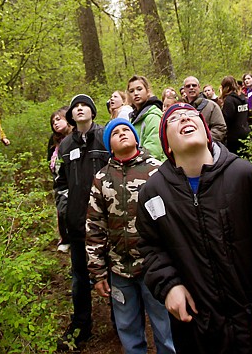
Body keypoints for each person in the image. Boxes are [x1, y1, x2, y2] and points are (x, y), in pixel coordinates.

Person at [136, 102, 252, 354]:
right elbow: (151, 247)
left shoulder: (246, 176)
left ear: (207, 133)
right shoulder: (152, 193)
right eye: (174, 118)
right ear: (167, 145)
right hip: (199, 331)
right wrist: (169, 285)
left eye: (191, 115)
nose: (184, 118)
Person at [86, 118, 175, 354]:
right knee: (127, 329)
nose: (122, 133)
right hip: (119, 269)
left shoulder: (157, 171)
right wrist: (97, 272)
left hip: (154, 267)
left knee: (166, 327)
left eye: (127, 130)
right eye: (115, 133)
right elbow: (94, 226)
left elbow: (173, 219)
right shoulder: (102, 179)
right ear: (109, 145)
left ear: (136, 137)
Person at [54, 94, 109, 351]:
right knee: (79, 276)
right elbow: (60, 182)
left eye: (84, 105)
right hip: (77, 222)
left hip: (107, 221)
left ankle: (121, 320)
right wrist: (65, 210)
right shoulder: (65, 146)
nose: (79, 109)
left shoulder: (106, 136)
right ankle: (81, 323)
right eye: (75, 107)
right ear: (70, 116)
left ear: (93, 112)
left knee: (114, 272)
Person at [47, 106, 72, 253]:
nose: (55, 123)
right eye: (53, 121)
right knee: (61, 211)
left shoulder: (74, 136)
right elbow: (49, 158)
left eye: (58, 119)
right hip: (59, 181)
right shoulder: (53, 140)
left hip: (73, 180)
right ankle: (65, 238)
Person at [127, 75, 165, 160]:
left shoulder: (153, 115)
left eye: (139, 89)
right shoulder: (133, 118)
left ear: (147, 91)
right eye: (131, 91)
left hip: (152, 167)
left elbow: (154, 150)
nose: (136, 93)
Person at [182, 76, 227, 143]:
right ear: (184, 89)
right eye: (188, 86)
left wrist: (205, 139)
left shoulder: (211, 105)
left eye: (194, 85)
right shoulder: (182, 109)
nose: (191, 88)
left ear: (199, 87)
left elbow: (220, 128)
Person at [220, 76, 250, 155]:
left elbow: (227, 118)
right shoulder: (243, 98)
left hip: (233, 136)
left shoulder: (229, 100)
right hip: (245, 132)